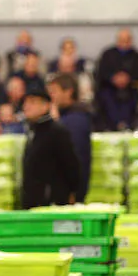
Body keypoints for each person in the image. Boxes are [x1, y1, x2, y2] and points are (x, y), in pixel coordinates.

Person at [20, 89, 80, 209]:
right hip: (33, 204)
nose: (26, 106)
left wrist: (72, 193)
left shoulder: (57, 131)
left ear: (46, 106)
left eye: (32, 102)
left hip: (52, 203)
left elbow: (71, 165)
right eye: (25, 102)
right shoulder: (32, 130)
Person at [48, 74, 92, 203]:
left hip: (68, 191)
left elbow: (75, 157)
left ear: (68, 92)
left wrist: (73, 190)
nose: (52, 96)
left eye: (54, 91)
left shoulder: (75, 121)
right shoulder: (65, 118)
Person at [95, 28, 138, 131]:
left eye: (127, 40)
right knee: (107, 98)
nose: (124, 43)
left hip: (130, 88)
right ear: (117, 40)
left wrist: (127, 79)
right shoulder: (107, 54)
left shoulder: (137, 57)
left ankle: (125, 126)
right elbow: (100, 72)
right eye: (122, 40)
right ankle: (116, 126)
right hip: (109, 87)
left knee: (131, 99)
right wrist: (113, 79)